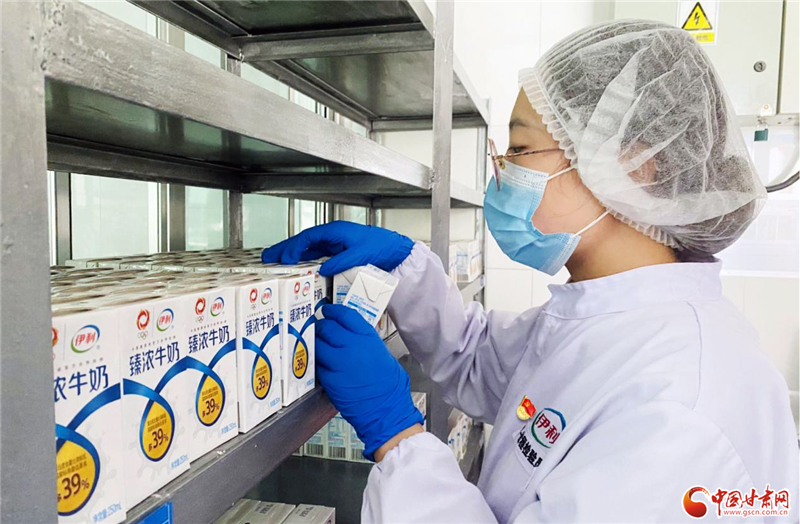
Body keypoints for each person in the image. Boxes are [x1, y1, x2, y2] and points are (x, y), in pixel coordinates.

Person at [263, 20, 798, 523]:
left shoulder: (684, 404)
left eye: (520, 149)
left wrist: (397, 440)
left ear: (633, 166)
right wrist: (405, 266)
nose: (501, 172)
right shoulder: (606, 317)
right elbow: (477, 359)